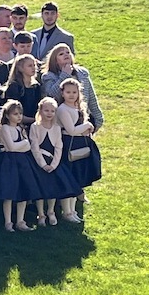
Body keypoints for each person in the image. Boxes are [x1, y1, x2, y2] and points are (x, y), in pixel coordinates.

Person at [56, 78, 102, 223]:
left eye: (74, 92)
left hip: (79, 143)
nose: (71, 95)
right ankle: (67, 212)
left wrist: (84, 128)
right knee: (68, 178)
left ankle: (73, 210)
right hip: (68, 144)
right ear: (62, 93)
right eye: (68, 92)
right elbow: (71, 130)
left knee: (76, 177)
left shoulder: (78, 107)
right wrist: (87, 125)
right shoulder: (63, 109)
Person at [0, 100, 40, 232]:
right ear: (7, 116)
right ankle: (8, 222)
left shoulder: (20, 128)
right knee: (9, 192)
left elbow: (27, 146)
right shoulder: (5, 128)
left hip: (22, 163)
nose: (18, 117)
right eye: (15, 114)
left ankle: (20, 221)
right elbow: (11, 147)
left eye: (20, 114)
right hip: (9, 163)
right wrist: (22, 143)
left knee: (23, 190)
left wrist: (21, 144)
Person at [29, 97, 76, 228]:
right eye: (46, 110)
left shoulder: (56, 128)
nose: (49, 113)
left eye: (52, 111)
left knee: (52, 187)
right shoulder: (35, 127)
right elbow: (35, 147)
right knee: (40, 187)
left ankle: (50, 211)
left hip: (53, 162)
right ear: (40, 111)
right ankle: (40, 213)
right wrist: (43, 164)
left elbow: (59, 147)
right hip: (39, 163)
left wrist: (54, 165)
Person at [40, 44, 103, 131]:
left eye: (68, 52)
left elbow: (91, 97)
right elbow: (52, 94)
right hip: (61, 123)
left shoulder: (82, 73)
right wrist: (65, 75)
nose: (66, 55)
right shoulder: (48, 76)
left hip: (82, 119)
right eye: (61, 54)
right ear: (55, 60)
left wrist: (98, 119)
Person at [3, 54, 42, 127]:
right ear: (20, 68)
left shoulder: (36, 86)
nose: (33, 68)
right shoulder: (14, 86)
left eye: (34, 65)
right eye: (30, 66)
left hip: (34, 124)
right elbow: (13, 111)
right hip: (17, 124)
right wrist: (33, 120)